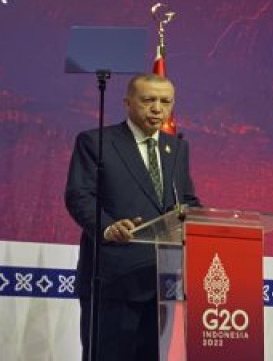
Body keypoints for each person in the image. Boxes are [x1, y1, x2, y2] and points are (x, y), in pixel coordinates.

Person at [64, 73, 202, 361]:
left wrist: (201, 222)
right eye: (148, 100)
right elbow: (79, 196)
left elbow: (186, 201)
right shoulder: (96, 141)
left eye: (165, 102)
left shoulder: (176, 147)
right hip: (113, 277)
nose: (157, 109)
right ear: (127, 103)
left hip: (163, 281)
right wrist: (108, 227)